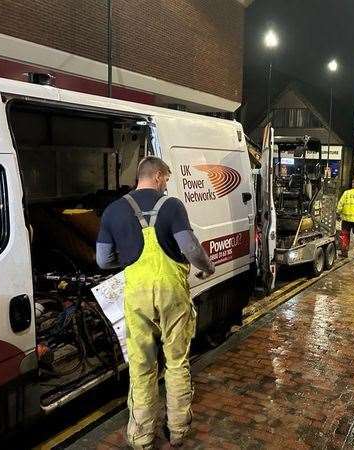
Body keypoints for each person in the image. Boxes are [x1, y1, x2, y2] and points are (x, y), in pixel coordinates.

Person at [96, 156, 215, 449]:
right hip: (172, 293)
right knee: (175, 362)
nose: (167, 185)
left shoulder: (113, 210)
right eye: (167, 179)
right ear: (159, 176)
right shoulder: (172, 206)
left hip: (136, 295)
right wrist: (206, 267)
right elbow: (189, 247)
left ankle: (141, 436)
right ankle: (177, 430)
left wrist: (126, 259)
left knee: (141, 366)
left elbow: (103, 259)